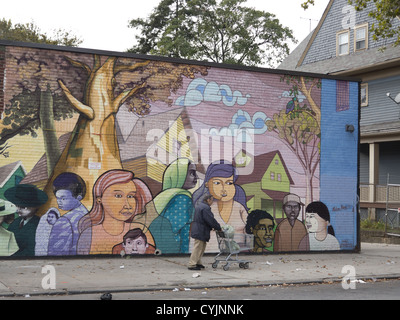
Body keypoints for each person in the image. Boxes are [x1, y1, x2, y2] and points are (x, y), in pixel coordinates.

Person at [77, 170, 153, 255]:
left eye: (131, 196)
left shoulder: (141, 230)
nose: (127, 205)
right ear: (99, 199)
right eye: (118, 196)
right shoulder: (89, 234)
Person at [192, 160, 248, 252]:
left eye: (229, 183)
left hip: (236, 249)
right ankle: (195, 263)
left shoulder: (240, 208)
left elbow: (248, 228)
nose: (224, 189)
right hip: (210, 248)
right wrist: (218, 228)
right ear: (207, 184)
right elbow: (207, 222)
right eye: (217, 183)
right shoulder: (206, 208)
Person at [149, 158, 198, 254]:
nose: (196, 177)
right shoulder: (182, 198)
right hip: (174, 246)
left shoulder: (163, 196)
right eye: (192, 173)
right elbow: (175, 228)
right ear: (179, 175)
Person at [47, 173, 88, 256]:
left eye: (63, 198)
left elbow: (55, 253)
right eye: (57, 198)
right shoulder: (87, 215)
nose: (59, 202)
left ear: (78, 197)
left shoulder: (65, 221)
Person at [4, 184, 48, 256]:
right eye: (16, 205)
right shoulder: (15, 222)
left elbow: (31, 250)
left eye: (23, 207)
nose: (18, 210)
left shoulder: (39, 225)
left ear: (35, 207)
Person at [188, 193, 222, 270]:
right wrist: (218, 227)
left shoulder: (200, 206)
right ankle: (192, 264)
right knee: (198, 247)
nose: (212, 202)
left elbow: (205, 219)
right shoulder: (205, 208)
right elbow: (210, 220)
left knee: (201, 247)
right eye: (212, 200)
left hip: (199, 229)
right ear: (208, 200)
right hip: (201, 230)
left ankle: (198, 262)